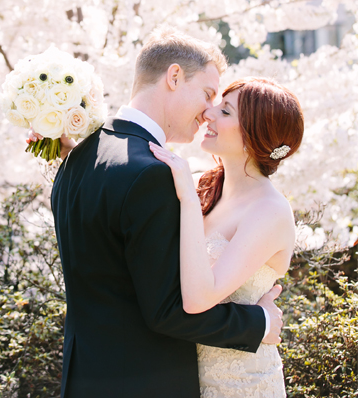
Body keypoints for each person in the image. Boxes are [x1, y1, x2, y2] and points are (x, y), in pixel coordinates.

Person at [49, 27, 283, 398]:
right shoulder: (152, 174)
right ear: (174, 77)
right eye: (207, 94)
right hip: (144, 383)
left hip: (83, 378)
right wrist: (261, 322)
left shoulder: (78, 156)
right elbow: (167, 312)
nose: (209, 111)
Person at [149, 77, 301, 397]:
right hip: (180, 375)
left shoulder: (270, 211)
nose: (208, 114)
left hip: (241, 384)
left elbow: (199, 299)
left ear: (254, 136)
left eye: (226, 112)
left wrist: (189, 200)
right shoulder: (204, 183)